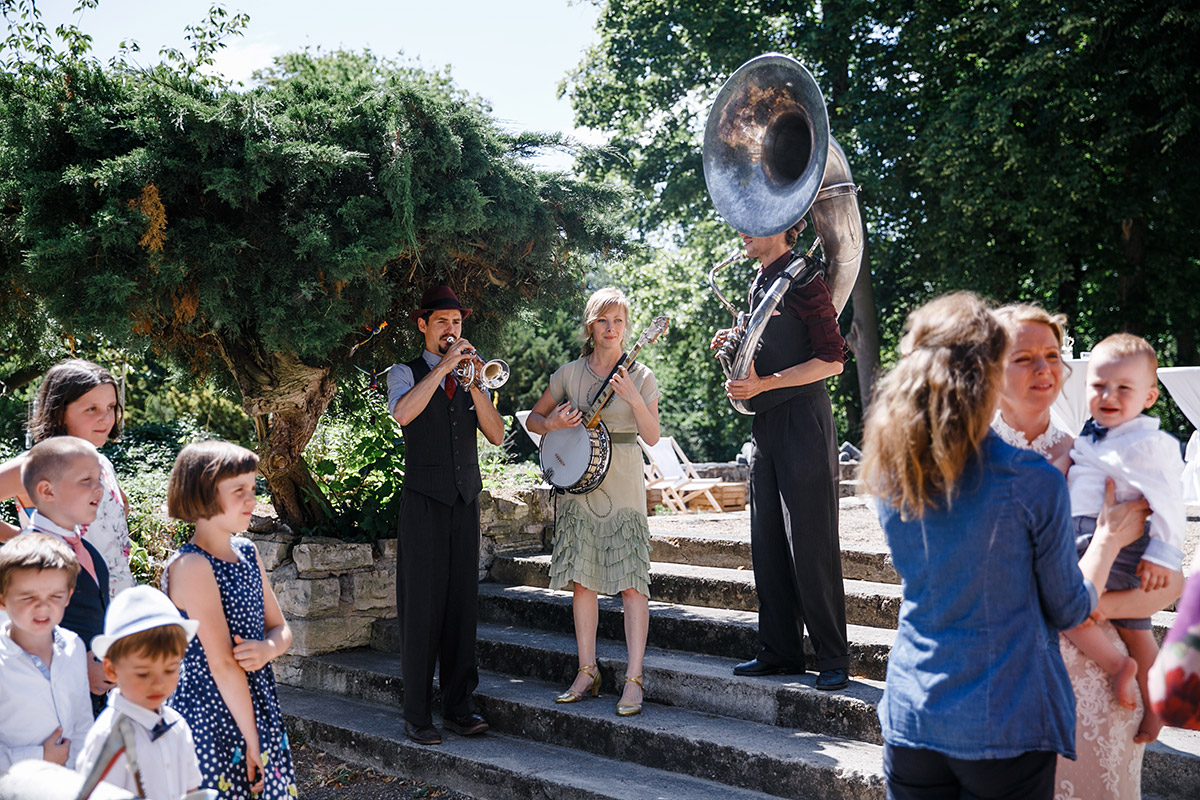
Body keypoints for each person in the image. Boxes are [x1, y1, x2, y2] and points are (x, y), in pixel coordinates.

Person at [862, 292, 1149, 800]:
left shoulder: (892, 469)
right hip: (1003, 720)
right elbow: (1067, 605)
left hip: (913, 713)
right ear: (990, 373)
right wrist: (1107, 538)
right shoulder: (1029, 479)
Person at [992, 304, 1183, 800]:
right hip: (1020, 685)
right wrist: (1105, 545)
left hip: (1108, 688)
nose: (1044, 369)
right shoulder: (970, 459)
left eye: (1052, 355)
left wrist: (1111, 600)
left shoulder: (1092, 452)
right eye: (1024, 357)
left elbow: (1166, 583)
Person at [710, 221, 849, 689]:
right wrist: (733, 347)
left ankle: (832, 657)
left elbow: (833, 359)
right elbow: (767, 348)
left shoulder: (805, 278)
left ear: (782, 228)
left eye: (751, 226)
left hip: (802, 421)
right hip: (766, 424)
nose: (739, 232)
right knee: (767, 541)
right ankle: (779, 652)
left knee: (811, 543)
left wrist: (764, 384)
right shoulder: (761, 280)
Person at [526, 287, 661, 717]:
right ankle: (587, 671)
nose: (612, 328)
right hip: (577, 485)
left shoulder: (641, 375)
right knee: (582, 581)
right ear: (591, 325)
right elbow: (533, 420)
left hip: (622, 477)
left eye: (619, 321)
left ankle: (634, 679)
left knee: (630, 582)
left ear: (627, 327)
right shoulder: (569, 374)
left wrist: (635, 399)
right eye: (604, 320)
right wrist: (552, 422)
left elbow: (653, 436)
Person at [387, 285, 505, 745]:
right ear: (423, 325)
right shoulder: (405, 372)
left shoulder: (474, 375)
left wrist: (474, 383)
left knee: (462, 608)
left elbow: (495, 435)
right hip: (422, 503)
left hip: (464, 502)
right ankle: (417, 715)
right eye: (442, 323)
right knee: (421, 609)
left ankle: (460, 707)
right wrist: (442, 369)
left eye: (456, 323)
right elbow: (404, 414)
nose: (451, 331)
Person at [1063, 333, 1184, 743]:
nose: (1108, 395)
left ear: (1149, 397)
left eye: (1123, 388)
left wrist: (1162, 556)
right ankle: (1150, 701)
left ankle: (1129, 678)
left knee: (1081, 614)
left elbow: (1169, 501)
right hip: (1083, 538)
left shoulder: (1150, 443)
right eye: (1098, 385)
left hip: (1124, 550)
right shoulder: (1093, 432)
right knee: (1136, 630)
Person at [162, 441, 297, 800]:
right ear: (202, 493)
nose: (252, 500)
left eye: (253, 489)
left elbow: (282, 630)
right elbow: (221, 664)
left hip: (255, 704)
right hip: (212, 715)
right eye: (239, 491)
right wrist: (254, 743)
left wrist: (267, 648)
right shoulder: (191, 566)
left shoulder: (248, 552)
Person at [0, 359, 135, 596]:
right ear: (59, 412)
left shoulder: (101, 462)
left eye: (111, 407)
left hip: (118, 602)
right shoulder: (37, 464)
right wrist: (26, 542)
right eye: (91, 409)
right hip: (66, 604)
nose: (105, 418)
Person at [18, 436, 115, 712]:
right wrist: (76, 667)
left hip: (92, 705)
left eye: (99, 479)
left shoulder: (90, 552)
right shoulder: (27, 556)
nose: (99, 489)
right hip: (48, 709)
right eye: (86, 480)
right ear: (47, 491)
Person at [78, 585, 203, 798]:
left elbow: (192, 790)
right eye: (143, 674)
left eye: (170, 669)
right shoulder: (107, 739)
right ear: (110, 669)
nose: (157, 683)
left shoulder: (177, 725)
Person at [0, 532, 92, 774]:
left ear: (68, 597)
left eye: (55, 596)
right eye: (28, 597)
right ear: (2, 599)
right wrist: (39, 756)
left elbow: (82, 721)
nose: (42, 606)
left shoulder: (74, 646)